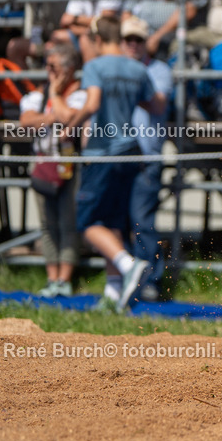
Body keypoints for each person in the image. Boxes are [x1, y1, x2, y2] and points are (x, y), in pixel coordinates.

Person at [65, 15, 167, 311]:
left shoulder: (95, 66)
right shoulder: (138, 68)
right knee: (113, 223)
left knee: (87, 223)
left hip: (103, 154)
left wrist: (69, 127)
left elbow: (93, 104)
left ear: (97, 39)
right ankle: (113, 294)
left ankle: (127, 263)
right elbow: (157, 105)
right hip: (131, 153)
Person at [18, 44, 86, 297]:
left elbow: (70, 117)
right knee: (48, 224)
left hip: (68, 165)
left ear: (69, 70)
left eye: (53, 66)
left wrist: (56, 97)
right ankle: (51, 277)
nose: (47, 71)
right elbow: (26, 122)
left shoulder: (79, 94)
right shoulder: (38, 95)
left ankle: (65, 280)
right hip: (44, 165)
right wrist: (51, 117)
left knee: (68, 222)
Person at [122, 16, 173, 301]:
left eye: (138, 40)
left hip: (146, 156)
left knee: (142, 220)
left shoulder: (159, 70)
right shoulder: (117, 67)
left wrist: (133, 82)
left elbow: (158, 104)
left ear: (147, 44)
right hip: (116, 157)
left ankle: (151, 279)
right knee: (119, 221)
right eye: (128, 40)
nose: (133, 45)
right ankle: (123, 278)